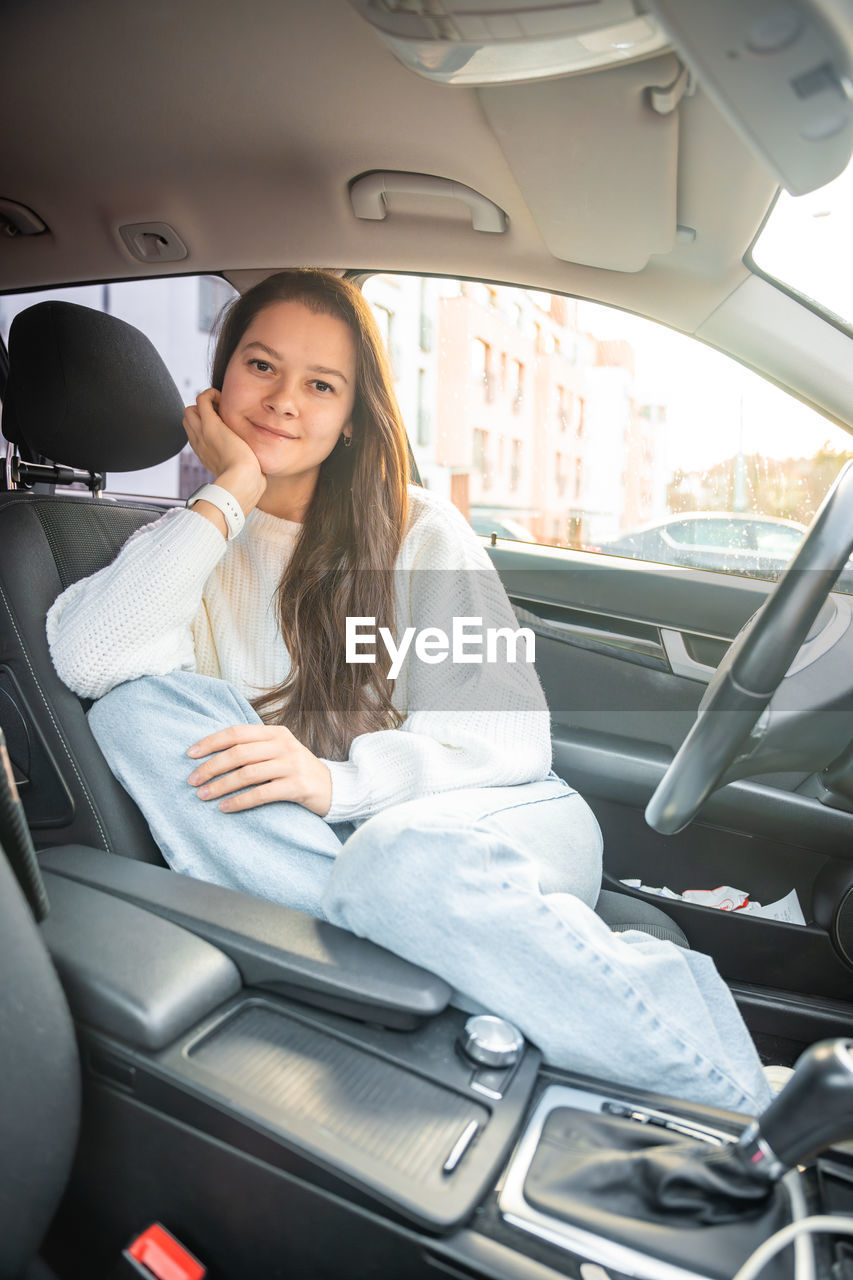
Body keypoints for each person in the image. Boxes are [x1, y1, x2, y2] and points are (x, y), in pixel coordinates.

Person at [46, 269, 772, 1116]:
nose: (283, 400)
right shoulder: (189, 543)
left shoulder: (423, 529)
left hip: (486, 810)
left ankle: (748, 1105)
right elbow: (92, 661)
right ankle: (439, 940)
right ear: (219, 378)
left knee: (401, 863)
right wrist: (231, 490)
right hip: (328, 854)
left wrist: (339, 785)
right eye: (261, 367)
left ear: (352, 416)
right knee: (136, 711)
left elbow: (505, 744)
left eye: (321, 385)